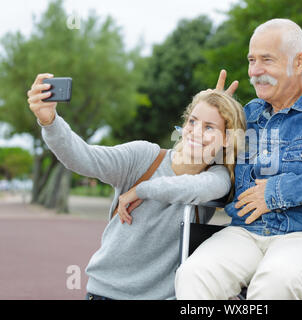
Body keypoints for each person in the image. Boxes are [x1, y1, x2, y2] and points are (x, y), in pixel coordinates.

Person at [175, 18, 302, 300]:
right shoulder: (246, 115)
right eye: (251, 60)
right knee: (193, 273)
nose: (255, 71)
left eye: (267, 60)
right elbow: (203, 166)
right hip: (245, 232)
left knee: (273, 283)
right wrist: (208, 120)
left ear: (298, 62)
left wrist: (279, 192)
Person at [26, 73, 246, 300]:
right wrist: (50, 122)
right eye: (193, 121)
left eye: (209, 127)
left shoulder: (217, 177)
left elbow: (195, 188)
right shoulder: (144, 156)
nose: (196, 131)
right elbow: (84, 157)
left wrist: (141, 190)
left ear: (228, 139)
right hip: (104, 294)